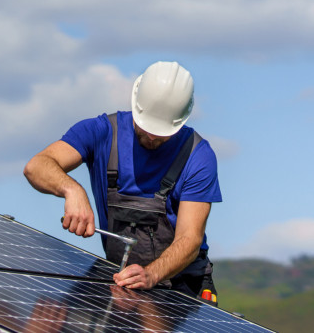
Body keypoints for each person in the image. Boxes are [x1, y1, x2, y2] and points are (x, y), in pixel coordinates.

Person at [23, 61, 222, 302]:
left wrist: (151, 274)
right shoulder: (101, 132)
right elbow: (37, 166)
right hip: (124, 285)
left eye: (160, 133)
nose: (151, 136)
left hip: (183, 285)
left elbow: (190, 239)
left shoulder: (197, 156)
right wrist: (72, 190)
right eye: (146, 126)